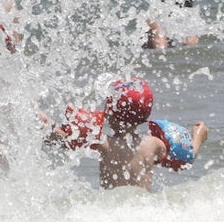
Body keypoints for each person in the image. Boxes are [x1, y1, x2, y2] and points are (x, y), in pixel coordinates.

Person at [49, 78, 208, 190]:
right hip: (142, 210)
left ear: (110, 113)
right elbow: (186, 159)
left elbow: (65, 139)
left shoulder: (104, 143)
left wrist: (45, 123)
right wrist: (198, 135)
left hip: (114, 211)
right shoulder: (153, 144)